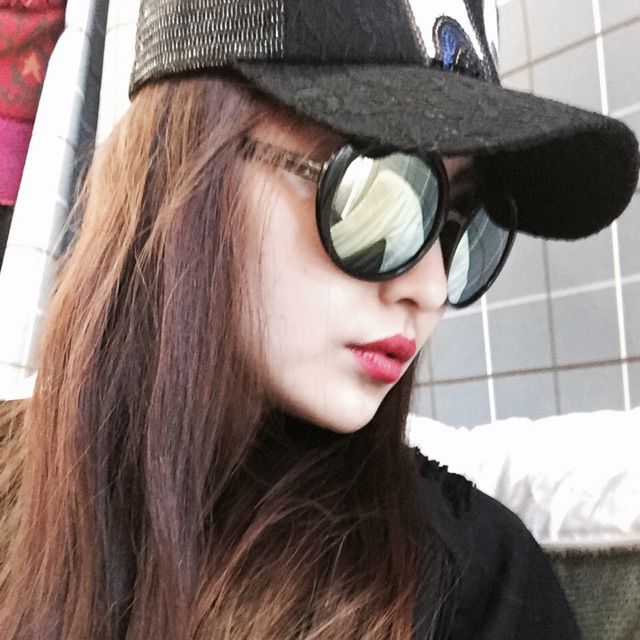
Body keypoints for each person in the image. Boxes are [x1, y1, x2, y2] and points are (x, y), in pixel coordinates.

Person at [0, 1, 637, 639]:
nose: (431, 288)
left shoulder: (480, 589)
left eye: (461, 225)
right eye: (375, 189)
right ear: (187, 167)